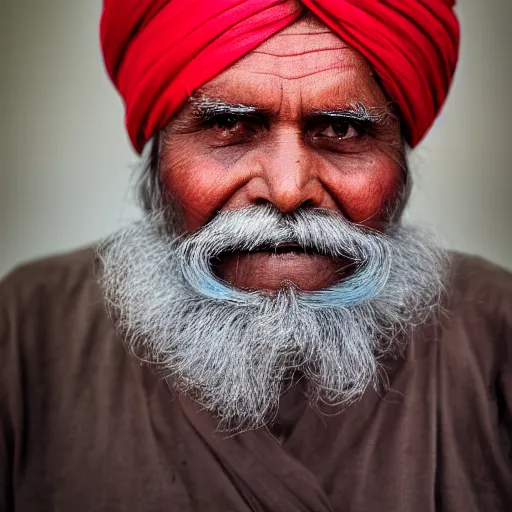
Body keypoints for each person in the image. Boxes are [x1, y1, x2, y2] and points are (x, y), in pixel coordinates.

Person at [1, 1, 511, 510]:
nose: (288, 189)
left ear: (400, 166)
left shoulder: (498, 335)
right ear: (156, 163)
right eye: (229, 125)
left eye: (341, 130)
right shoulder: (26, 330)